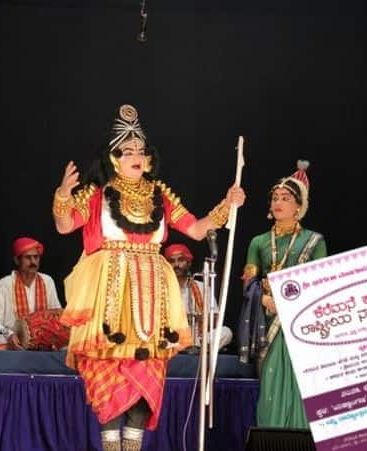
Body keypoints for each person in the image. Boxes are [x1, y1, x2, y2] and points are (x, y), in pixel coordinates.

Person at [52, 104, 246, 451]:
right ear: (113, 159)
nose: (137, 156)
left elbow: (198, 230)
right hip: (108, 297)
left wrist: (226, 205)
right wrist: (63, 195)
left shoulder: (161, 194)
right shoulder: (97, 195)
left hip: (152, 298)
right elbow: (65, 225)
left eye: (141, 150)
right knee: (108, 374)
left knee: (147, 375)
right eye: (128, 151)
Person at [238, 160, 326, 428]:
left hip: (301, 324)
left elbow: (321, 284)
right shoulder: (259, 242)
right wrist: (264, 299)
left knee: (301, 389)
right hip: (269, 322)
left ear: (299, 206)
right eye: (275, 198)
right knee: (271, 391)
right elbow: (248, 283)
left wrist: (293, 305)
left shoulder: (314, 241)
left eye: (286, 198)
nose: (278, 202)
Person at [0, 237, 62, 349]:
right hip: (13, 342)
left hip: (43, 343)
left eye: (36, 257)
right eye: (28, 257)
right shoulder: (5, 284)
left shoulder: (47, 281)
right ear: (17, 260)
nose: (33, 262)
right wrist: (9, 335)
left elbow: (57, 315)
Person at [162, 243, 233, 350]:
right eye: (172, 261)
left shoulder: (202, 287)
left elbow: (214, 319)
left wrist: (200, 319)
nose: (176, 264)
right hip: (173, 337)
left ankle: (200, 349)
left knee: (226, 332)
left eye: (181, 260)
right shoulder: (162, 288)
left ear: (188, 262)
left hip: (198, 337)